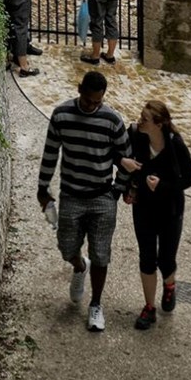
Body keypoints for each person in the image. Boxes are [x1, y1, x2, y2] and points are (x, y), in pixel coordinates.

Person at [37, 68, 129, 332]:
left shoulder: (112, 119)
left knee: (101, 254)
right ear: (79, 90)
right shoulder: (61, 115)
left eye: (97, 102)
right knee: (67, 247)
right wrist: (42, 188)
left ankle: (96, 305)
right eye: (88, 100)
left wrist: (117, 190)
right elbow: (50, 153)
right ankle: (79, 267)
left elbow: (126, 157)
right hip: (72, 195)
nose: (92, 106)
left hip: (102, 196)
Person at [120, 97, 191, 330]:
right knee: (146, 257)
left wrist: (162, 186)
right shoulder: (135, 135)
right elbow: (125, 162)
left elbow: (190, 178)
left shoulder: (175, 144)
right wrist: (128, 186)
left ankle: (170, 285)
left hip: (170, 209)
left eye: (145, 119)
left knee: (166, 258)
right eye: (140, 117)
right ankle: (149, 307)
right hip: (143, 207)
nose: (139, 121)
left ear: (159, 124)